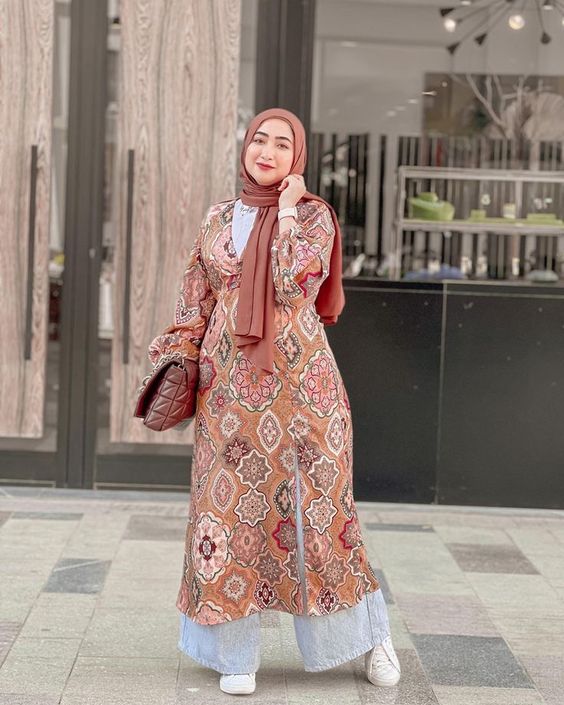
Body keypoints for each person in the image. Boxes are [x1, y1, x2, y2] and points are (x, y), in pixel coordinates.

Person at [147, 108, 401, 696]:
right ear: (245, 148)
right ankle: (234, 655)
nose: (267, 151)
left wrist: (285, 212)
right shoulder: (217, 218)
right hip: (228, 398)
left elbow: (292, 285)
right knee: (226, 516)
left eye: (282, 144)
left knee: (322, 519)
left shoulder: (313, 218)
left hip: (304, 394)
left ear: (297, 158)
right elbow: (194, 302)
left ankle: (370, 639)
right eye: (259, 139)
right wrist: (178, 358)